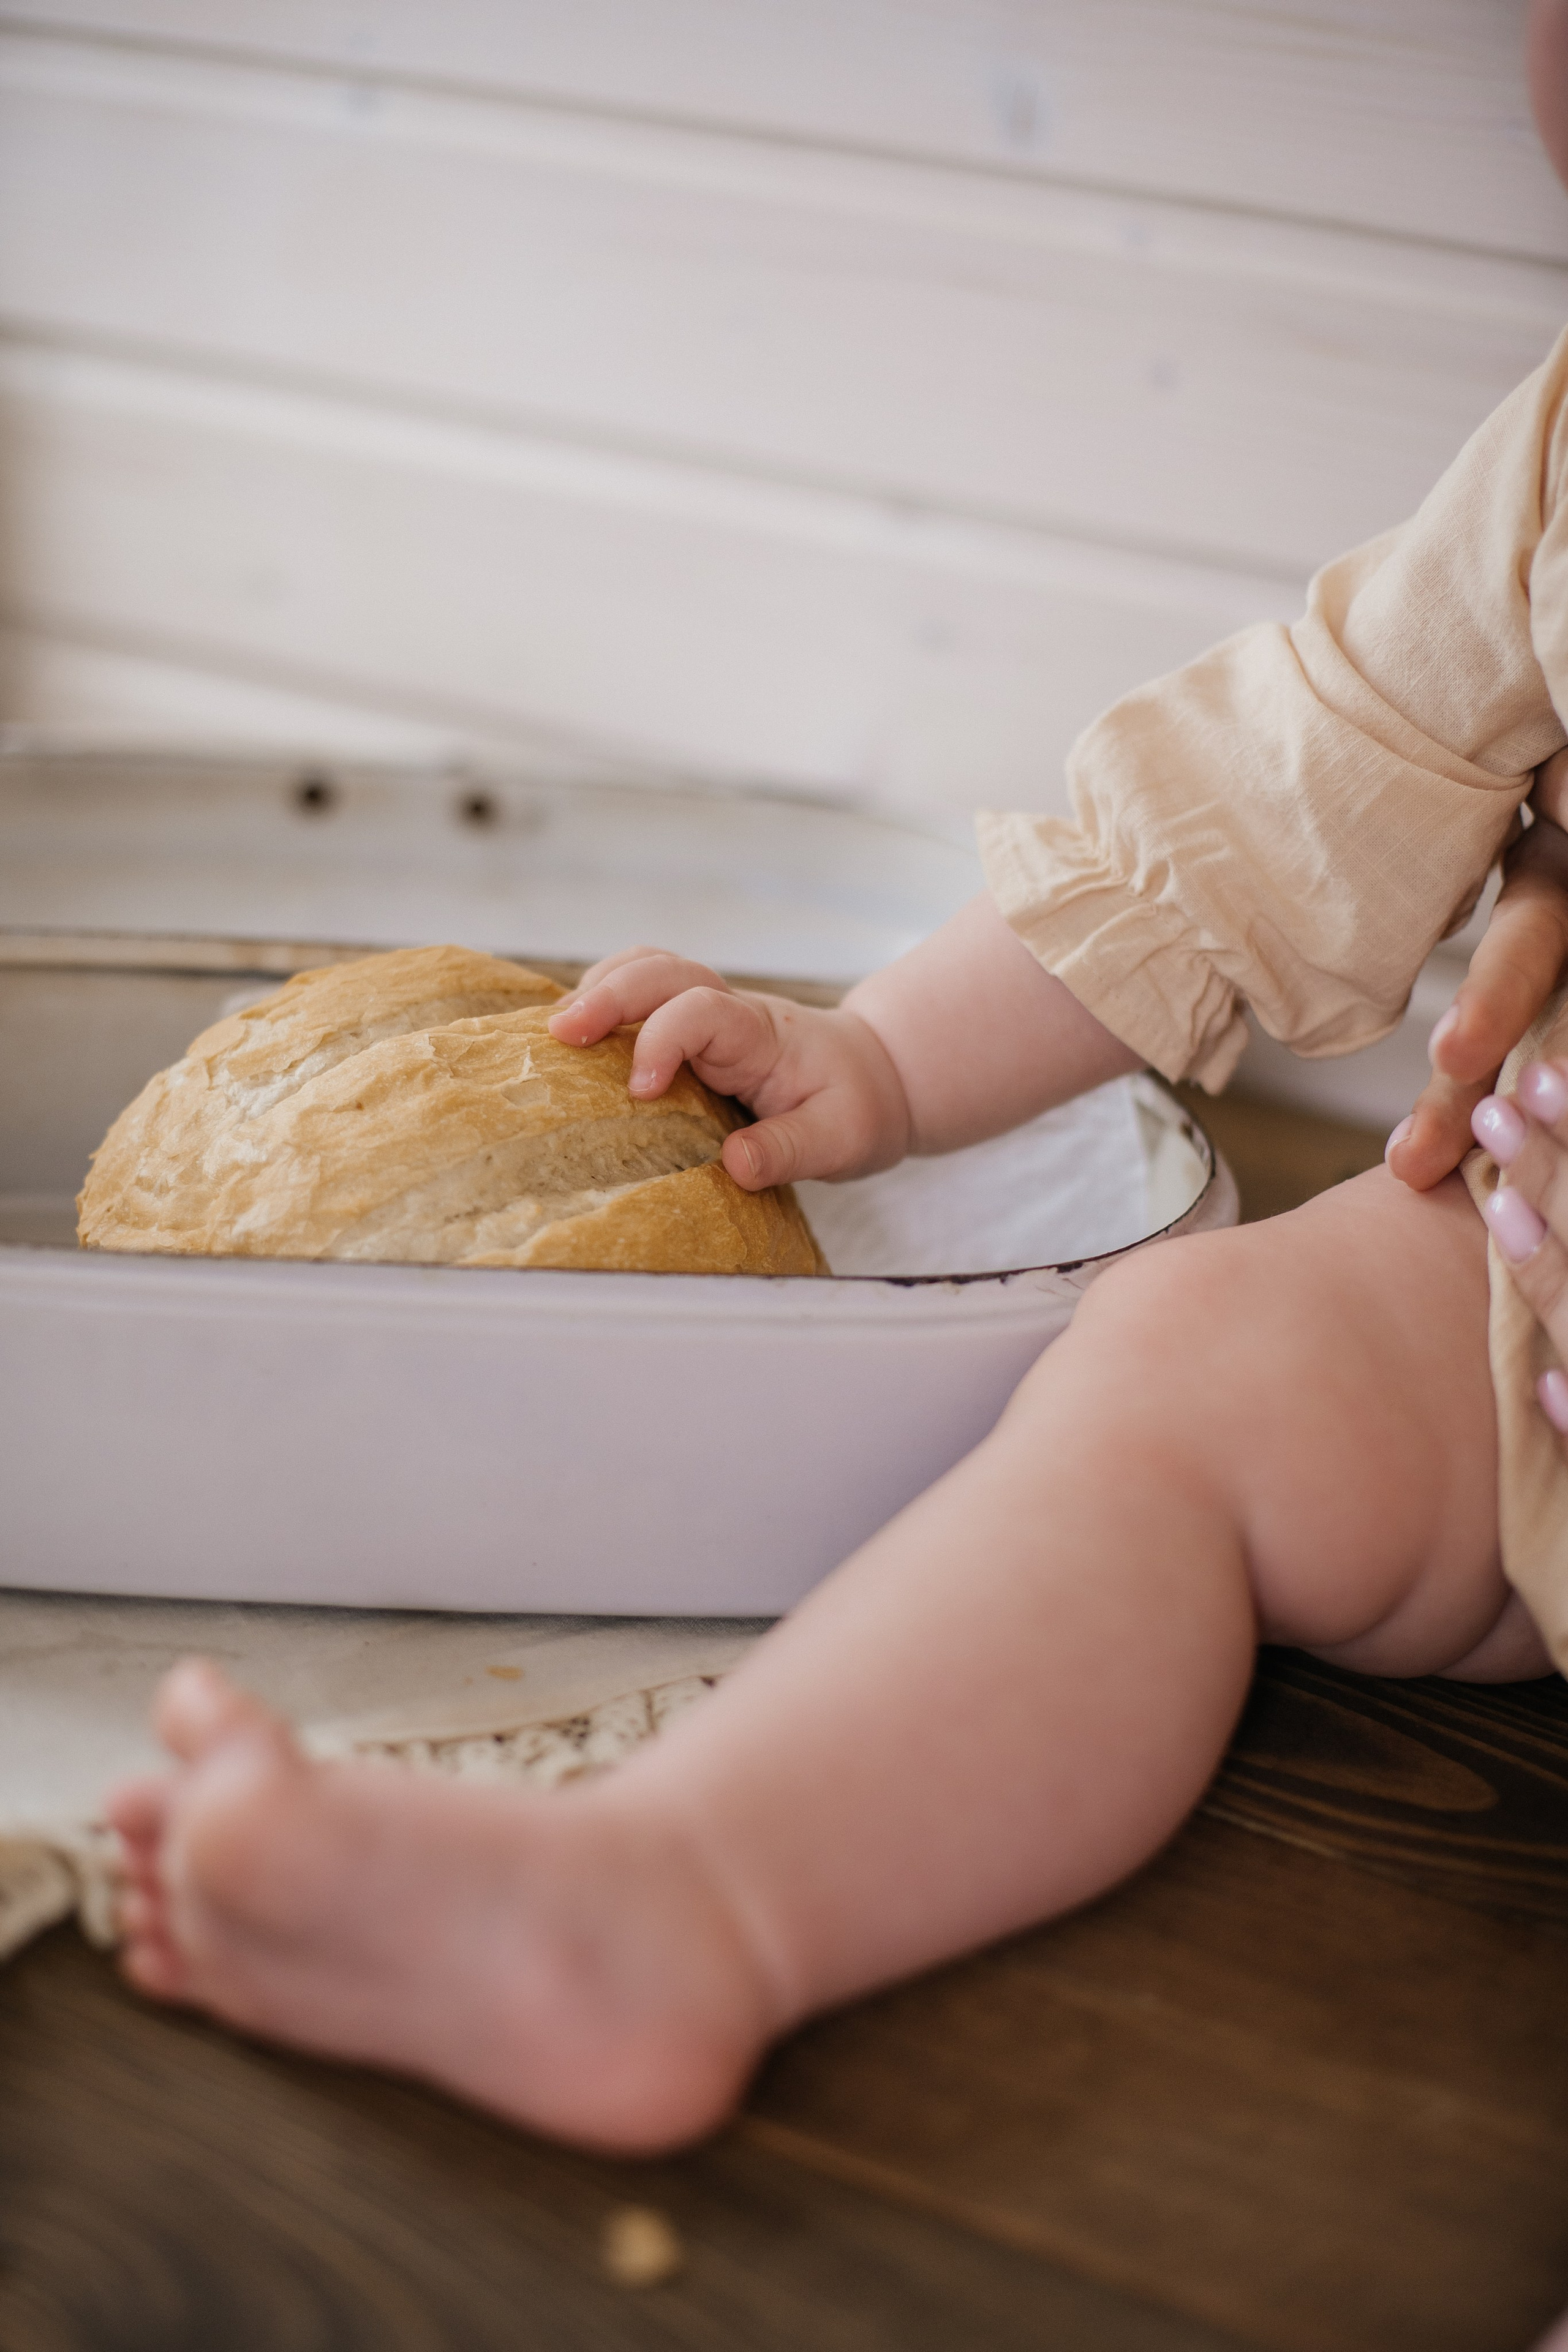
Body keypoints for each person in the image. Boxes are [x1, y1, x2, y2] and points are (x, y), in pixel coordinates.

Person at [110, 3, 1568, 2171]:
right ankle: (673, 1903)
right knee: (1181, 1363)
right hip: (1532, 1337)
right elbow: (1251, 808)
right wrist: (881, 1054)